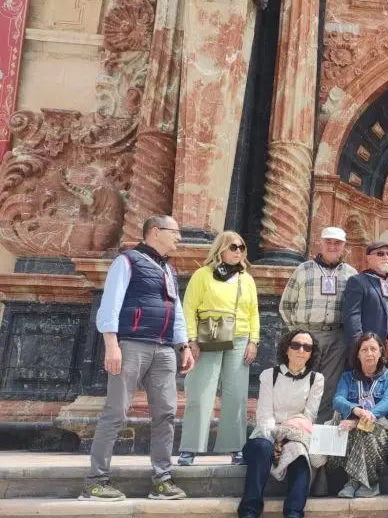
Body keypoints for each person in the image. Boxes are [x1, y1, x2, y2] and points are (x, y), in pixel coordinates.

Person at [80, 215, 194, 502]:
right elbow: (110, 304)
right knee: (116, 411)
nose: (179, 237)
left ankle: (162, 479)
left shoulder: (168, 269)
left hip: (164, 349)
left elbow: (176, 310)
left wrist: (183, 345)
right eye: (174, 231)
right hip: (131, 345)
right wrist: (112, 345)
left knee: (166, 413)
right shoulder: (127, 261)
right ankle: (95, 481)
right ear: (154, 231)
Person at [178, 230, 260, 466]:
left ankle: (235, 448)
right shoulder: (203, 274)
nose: (238, 251)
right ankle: (190, 448)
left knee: (236, 395)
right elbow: (189, 307)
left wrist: (254, 341)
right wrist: (191, 339)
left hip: (240, 337)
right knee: (201, 391)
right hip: (210, 334)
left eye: (241, 247)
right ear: (221, 249)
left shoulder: (246, 278)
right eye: (233, 247)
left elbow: (254, 312)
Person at [234, 330, 325, 518]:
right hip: (266, 433)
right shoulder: (269, 375)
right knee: (262, 448)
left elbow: (308, 417)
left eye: (307, 347)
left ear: (311, 353)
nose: (301, 350)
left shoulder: (316, 379)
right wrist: (274, 439)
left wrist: (285, 438)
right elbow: (264, 414)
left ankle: (293, 516)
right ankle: (248, 516)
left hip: (296, 434)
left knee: (300, 453)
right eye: (296, 345)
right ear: (287, 349)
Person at [279, 226, 358, 423]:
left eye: (337, 243)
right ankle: (295, 426)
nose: (332, 246)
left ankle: (319, 429)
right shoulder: (303, 269)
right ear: (320, 243)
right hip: (307, 335)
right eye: (328, 242)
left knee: (329, 385)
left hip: (337, 337)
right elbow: (286, 305)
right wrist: (298, 334)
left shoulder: (351, 273)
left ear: (344, 246)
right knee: (301, 381)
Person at [329, 333, 388, 498]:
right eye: (364, 350)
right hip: (353, 433)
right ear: (358, 354)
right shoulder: (348, 377)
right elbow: (338, 400)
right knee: (357, 431)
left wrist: (363, 418)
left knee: (364, 432)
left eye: (373, 349)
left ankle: (358, 482)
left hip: (382, 434)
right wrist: (356, 410)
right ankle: (364, 483)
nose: (369, 353)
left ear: (381, 352)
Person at [343, 242, 388, 366]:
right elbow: (352, 318)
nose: (386, 257)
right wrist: (360, 348)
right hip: (367, 350)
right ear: (369, 258)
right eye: (380, 254)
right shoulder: (358, 281)